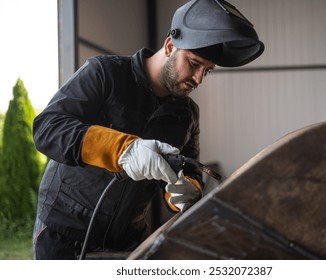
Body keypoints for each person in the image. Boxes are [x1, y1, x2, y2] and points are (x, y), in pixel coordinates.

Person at [32, 0, 264, 260]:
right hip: (64, 233)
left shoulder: (187, 114)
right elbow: (48, 128)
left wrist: (188, 188)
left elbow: (190, 168)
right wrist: (123, 149)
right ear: (169, 46)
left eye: (207, 71)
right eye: (194, 63)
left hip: (128, 239)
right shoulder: (105, 74)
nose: (199, 79)